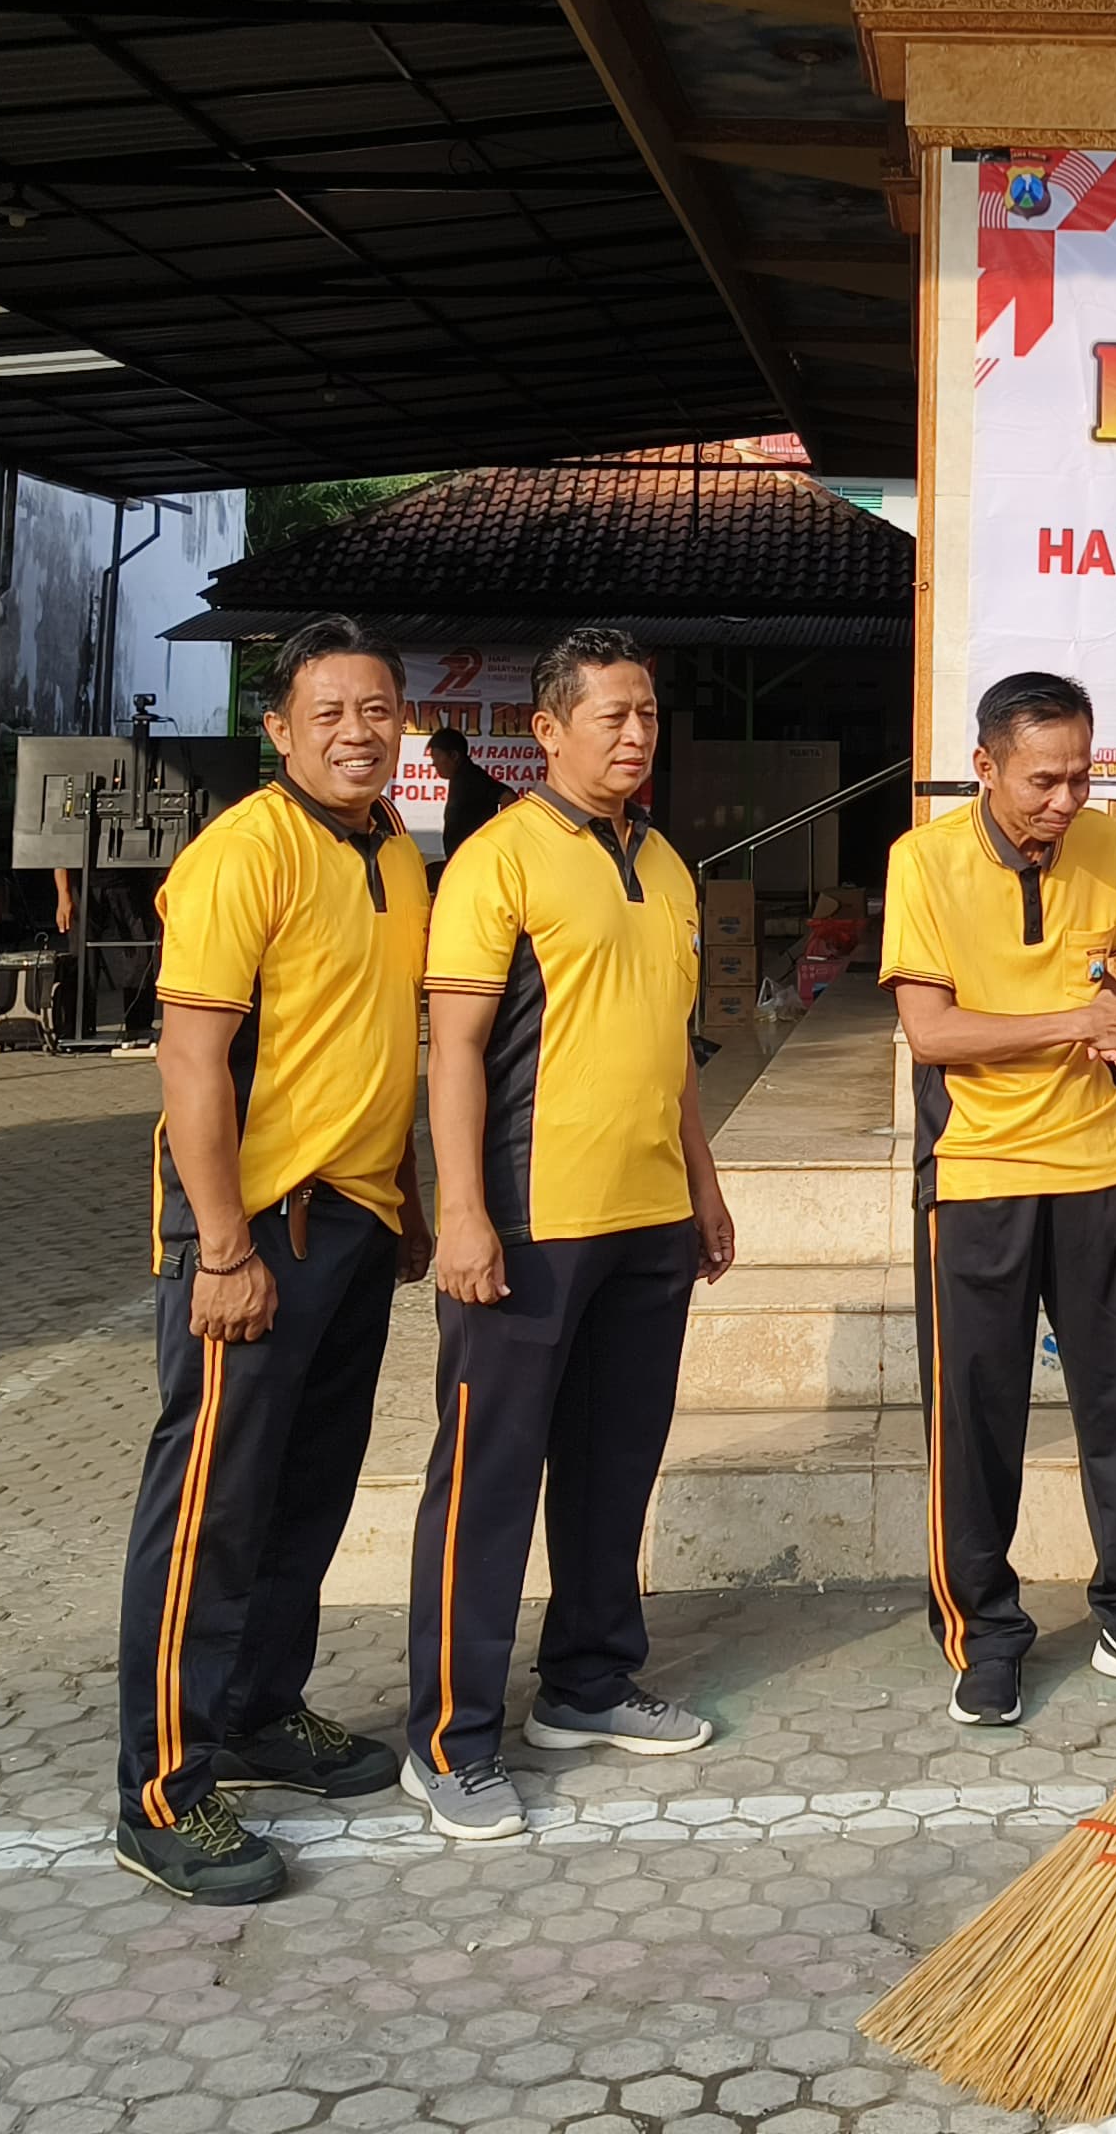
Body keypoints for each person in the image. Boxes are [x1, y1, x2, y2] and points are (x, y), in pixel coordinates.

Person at [112, 616, 431, 1903]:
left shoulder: (394, 847)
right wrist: (220, 1246)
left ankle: (255, 1711)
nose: (359, 732)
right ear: (280, 729)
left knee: (307, 1486)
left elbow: (376, 1038)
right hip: (252, 1231)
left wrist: (406, 1198)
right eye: (330, 712)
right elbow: (192, 1060)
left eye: (378, 709)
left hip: (352, 1219)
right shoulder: (242, 853)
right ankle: (160, 1789)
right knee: (209, 1509)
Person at [402, 628, 738, 1842]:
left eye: (647, 713)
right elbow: (452, 1048)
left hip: (647, 1218)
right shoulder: (496, 861)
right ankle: (450, 1739)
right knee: (487, 1479)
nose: (637, 734)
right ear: (547, 731)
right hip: (530, 1219)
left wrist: (703, 1186)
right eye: (612, 716)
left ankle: (589, 1680)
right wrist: (462, 1211)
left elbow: (673, 1050)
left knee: (613, 1465)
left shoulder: (668, 863)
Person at [882, 671, 1116, 1726]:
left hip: (1097, 1166)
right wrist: (1073, 1023)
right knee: (976, 1419)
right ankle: (984, 1634)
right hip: (976, 1175)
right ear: (984, 767)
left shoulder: (1104, 842)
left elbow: (1107, 1003)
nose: (1065, 801)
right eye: (1041, 781)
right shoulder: (922, 861)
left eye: (1079, 776)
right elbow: (932, 1032)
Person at [429, 724, 513, 856]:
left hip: (476, 858)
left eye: (437, 756)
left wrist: (497, 836)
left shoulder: (472, 777)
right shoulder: (459, 776)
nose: (434, 763)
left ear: (454, 756)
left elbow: (508, 797)